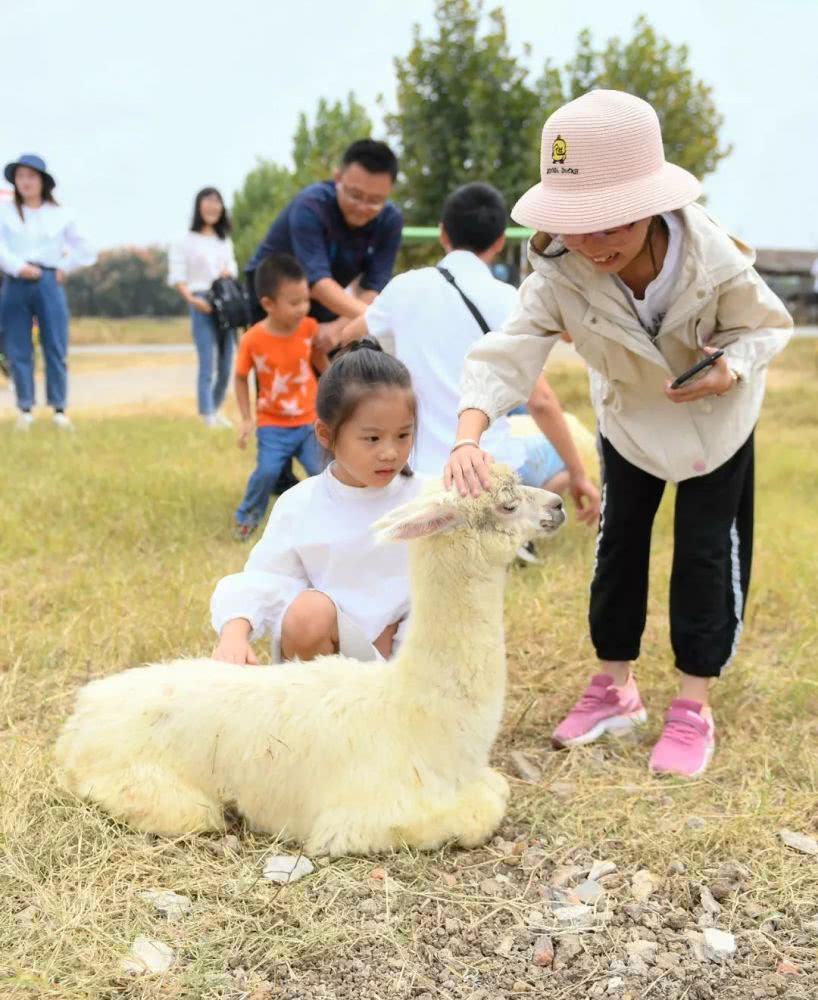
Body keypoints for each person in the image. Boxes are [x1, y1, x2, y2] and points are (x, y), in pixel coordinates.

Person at [446, 90, 792, 777]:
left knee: (703, 555)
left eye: (613, 224)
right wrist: (467, 434)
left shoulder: (712, 257)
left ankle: (694, 703)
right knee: (617, 548)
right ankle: (615, 688)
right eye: (578, 223)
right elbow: (509, 350)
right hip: (630, 421)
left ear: (652, 204)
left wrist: (730, 370)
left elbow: (768, 326)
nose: (596, 243)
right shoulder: (559, 270)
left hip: (711, 423)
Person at [339, 181, 599, 526]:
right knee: (563, 454)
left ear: (443, 233)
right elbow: (541, 401)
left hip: (418, 472)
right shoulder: (510, 299)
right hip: (491, 471)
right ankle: (514, 526)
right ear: (500, 241)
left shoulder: (405, 287)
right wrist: (580, 475)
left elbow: (348, 336)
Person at [212, 340, 422, 664]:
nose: (390, 451)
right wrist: (235, 632)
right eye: (373, 438)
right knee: (308, 612)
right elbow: (268, 578)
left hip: (412, 667)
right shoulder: (300, 504)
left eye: (403, 435)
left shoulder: (429, 498)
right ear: (325, 435)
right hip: (330, 670)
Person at [244, 140, 402, 329]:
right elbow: (317, 282)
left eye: (375, 201)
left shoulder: (390, 220)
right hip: (273, 296)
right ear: (337, 178)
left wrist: (336, 330)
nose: (362, 207)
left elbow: (374, 287)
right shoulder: (310, 206)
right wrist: (382, 321)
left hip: (328, 301)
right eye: (355, 195)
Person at [232, 253, 332, 539]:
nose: (303, 308)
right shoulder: (253, 339)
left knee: (323, 470)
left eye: (306, 300)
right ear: (268, 304)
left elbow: (321, 363)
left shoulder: (309, 328)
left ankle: (328, 518)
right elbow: (240, 378)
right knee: (266, 473)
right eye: (294, 302)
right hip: (273, 425)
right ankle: (247, 516)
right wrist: (247, 419)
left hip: (310, 421)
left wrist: (340, 388)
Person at [0, 154, 95, 430]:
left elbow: (86, 249)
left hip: (48, 281)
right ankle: (25, 408)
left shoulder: (61, 213)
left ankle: (59, 409)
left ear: (42, 181)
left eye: (31, 176)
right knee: (18, 346)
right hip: (16, 282)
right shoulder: (5, 211)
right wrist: (18, 267)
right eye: (20, 177)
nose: (25, 182)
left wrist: (64, 266)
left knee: (55, 344)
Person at [168, 187, 239, 428]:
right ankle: (206, 413)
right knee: (208, 360)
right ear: (199, 207)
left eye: (216, 202)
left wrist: (228, 274)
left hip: (224, 301)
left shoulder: (224, 240)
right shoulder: (184, 239)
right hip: (200, 300)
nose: (212, 207)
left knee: (227, 361)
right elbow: (178, 275)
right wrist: (192, 299)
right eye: (207, 202)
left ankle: (215, 407)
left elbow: (233, 268)